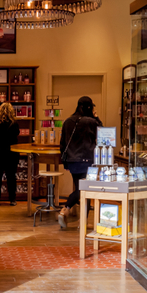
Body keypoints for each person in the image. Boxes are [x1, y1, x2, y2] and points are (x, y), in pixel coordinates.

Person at [58, 96, 101, 229]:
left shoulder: (67, 121)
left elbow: (62, 143)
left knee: (80, 188)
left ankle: (66, 211)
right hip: (88, 161)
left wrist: (65, 162)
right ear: (89, 107)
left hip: (72, 161)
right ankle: (77, 218)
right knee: (85, 189)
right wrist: (96, 118)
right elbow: (104, 135)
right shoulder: (91, 122)